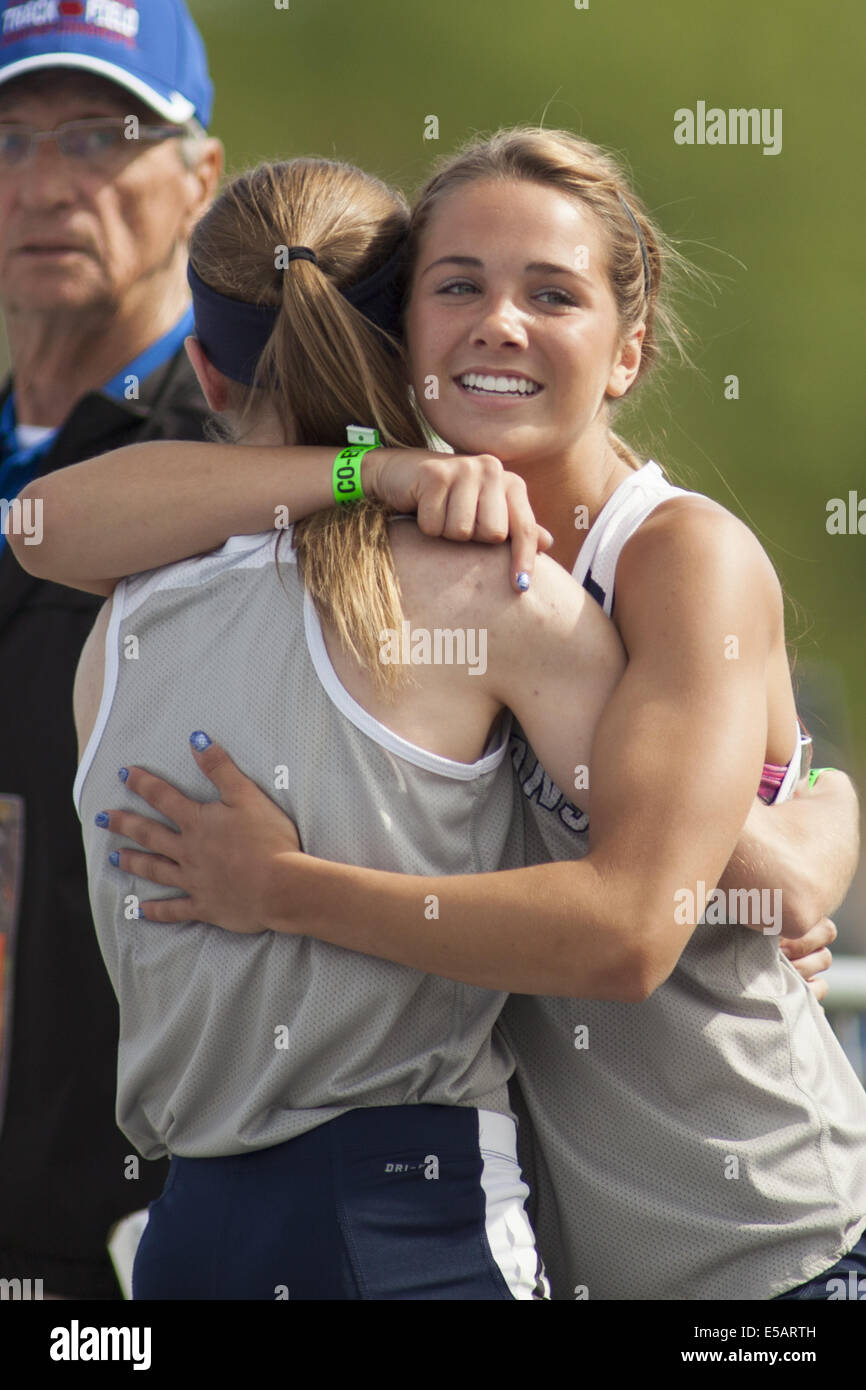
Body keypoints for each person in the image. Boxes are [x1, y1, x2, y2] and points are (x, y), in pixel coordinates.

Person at [13, 128, 863, 1300]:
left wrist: (287, 889)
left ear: (628, 351)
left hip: (749, 1249)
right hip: (561, 1250)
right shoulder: (432, 550)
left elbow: (660, 915)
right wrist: (372, 471)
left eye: (551, 294)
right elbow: (45, 524)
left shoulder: (669, 558)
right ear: (393, 332)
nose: (498, 322)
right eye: (456, 284)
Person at [68, 153, 631, 1301]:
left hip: (185, 1236)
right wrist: (822, 814)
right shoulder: (503, 590)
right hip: (408, 1230)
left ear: (204, 379)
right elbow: (684, 875)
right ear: (403, 347)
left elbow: (37, 527)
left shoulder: (117, 624)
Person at [0, 1, 222, 1298]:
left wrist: (784, 810)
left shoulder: (257, 464)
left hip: (155, 1222)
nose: (46, 182)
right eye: (11, 137)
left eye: (101, 133)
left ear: (200, 176)